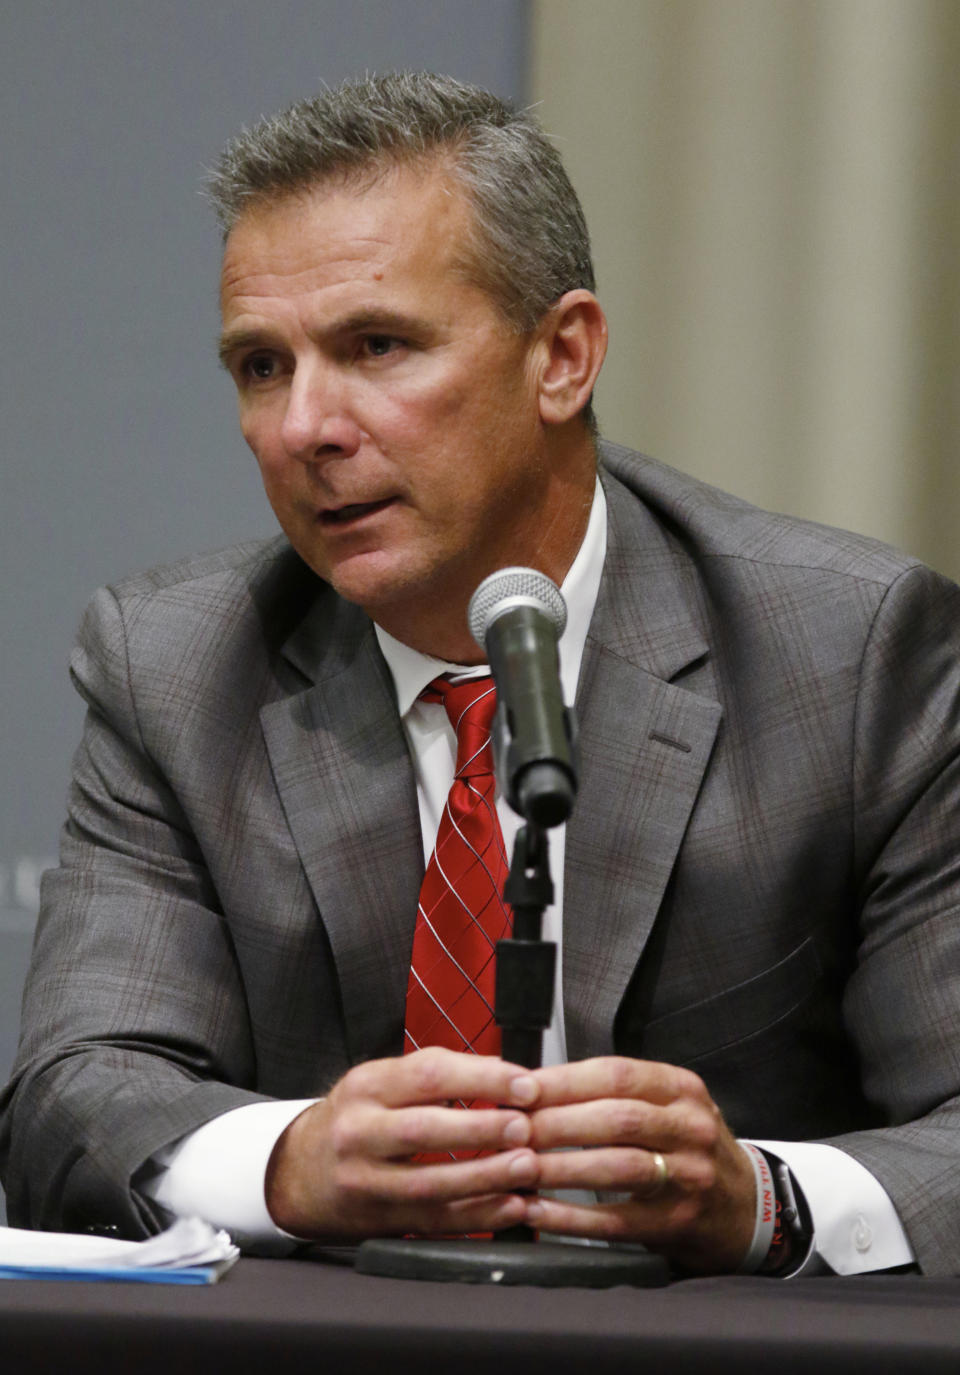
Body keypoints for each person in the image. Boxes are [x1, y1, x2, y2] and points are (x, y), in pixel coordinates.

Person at [3, 72, 960, 1279]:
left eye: (376, 346)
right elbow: (71, 1094)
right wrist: (293, 1161)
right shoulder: (177, 668)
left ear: (563, 357)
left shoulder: (851, 657)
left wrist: (763, 1199)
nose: (305, 426)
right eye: (260, 367)